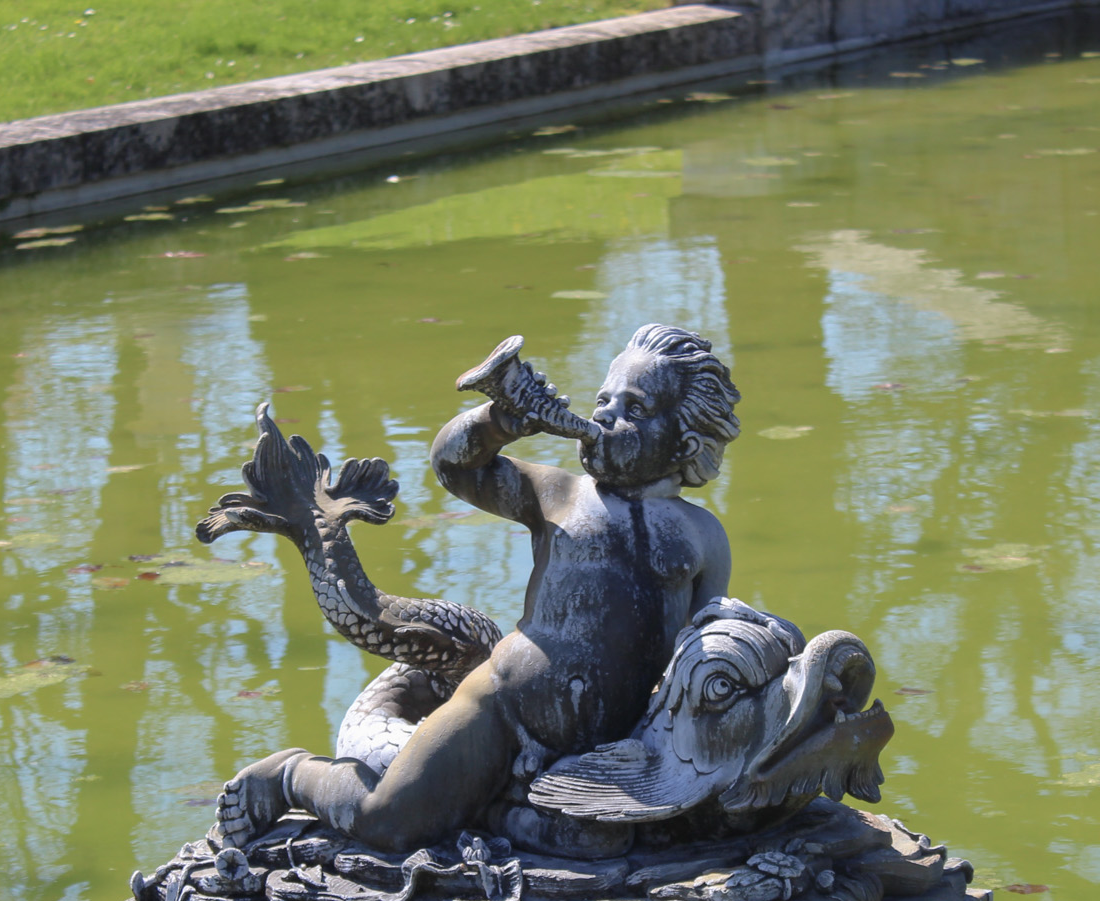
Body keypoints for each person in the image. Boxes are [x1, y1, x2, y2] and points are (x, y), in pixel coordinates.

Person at [217, 324, 740, 851]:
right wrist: (499, 421)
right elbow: (453, 465)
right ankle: (288, 776)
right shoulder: (558, 493)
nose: (605, 415)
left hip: (604, 745)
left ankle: (498, 807)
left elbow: (700, 652)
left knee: (596, 844)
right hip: (502, 710)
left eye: (635, 408)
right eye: (603, 398)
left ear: (686, 443)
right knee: (390, 820)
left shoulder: (703, 537)